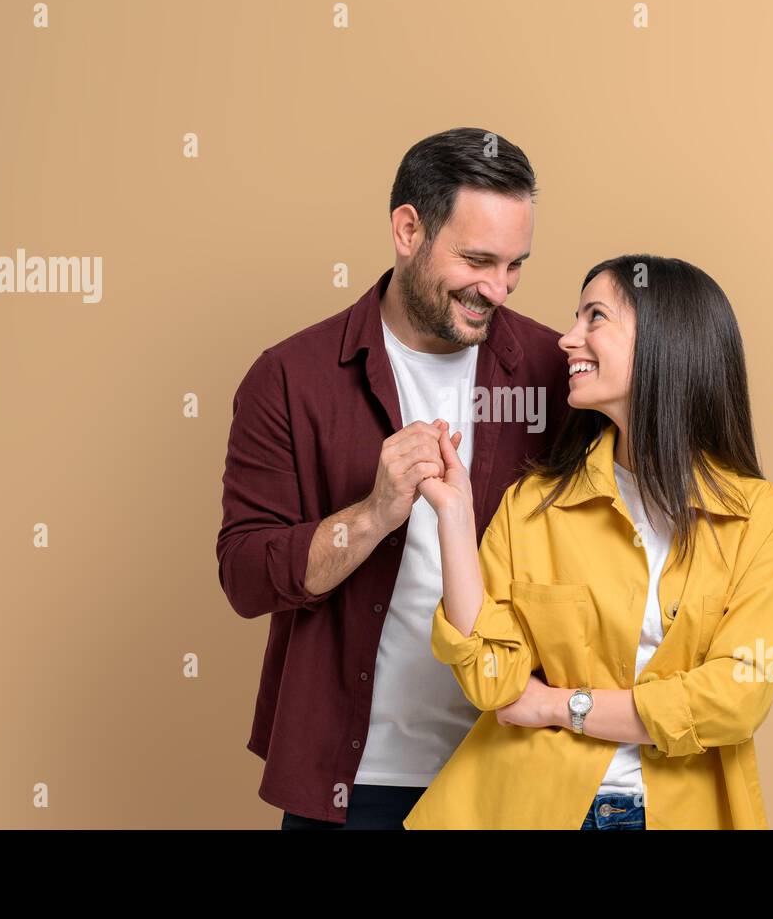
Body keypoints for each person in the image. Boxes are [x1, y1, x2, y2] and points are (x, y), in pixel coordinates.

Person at [215, 127, 568, 829]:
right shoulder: (290, 378)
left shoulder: (554, 371)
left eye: (515, 265)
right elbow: (246, 577)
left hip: (513, 776)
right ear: (408, 229)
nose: (496, 289)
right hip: (354, 785)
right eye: (476, 260)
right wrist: (374, 513)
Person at [403, 254, 773, 829]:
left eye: (595, 317)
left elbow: (735, 697)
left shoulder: (760, 520)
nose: (568, 340)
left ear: (668, 343)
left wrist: (560, 705)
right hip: (529, 809)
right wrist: (455, 516)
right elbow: (492, 680)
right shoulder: (534, 503)